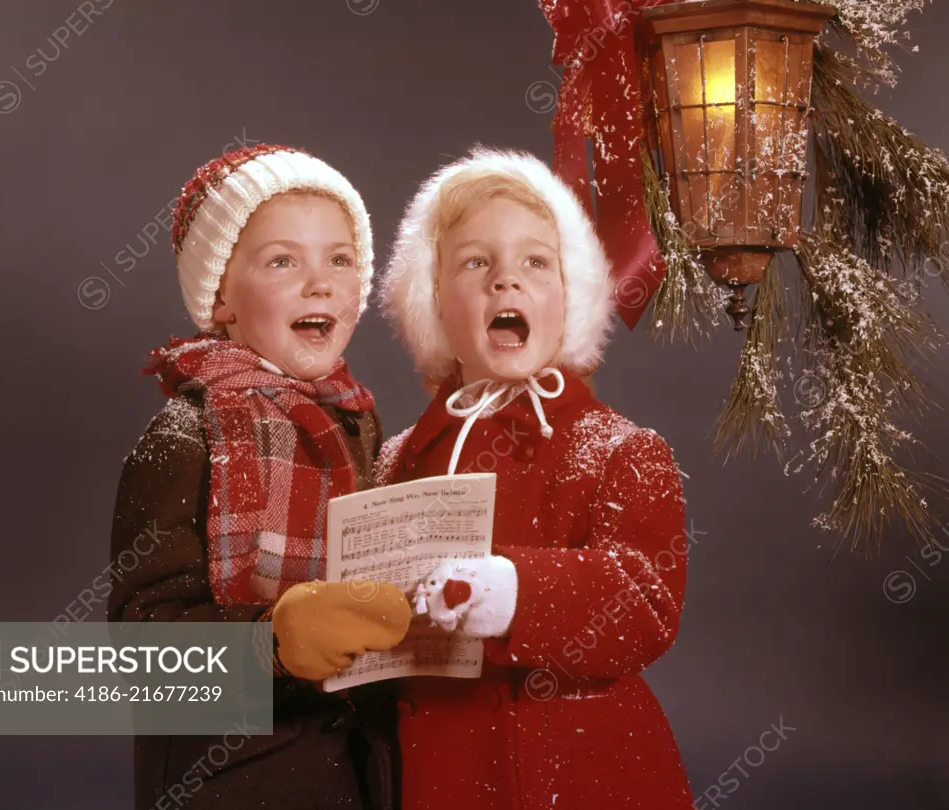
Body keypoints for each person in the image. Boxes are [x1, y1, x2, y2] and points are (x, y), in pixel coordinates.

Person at [376, 147, 693, 809]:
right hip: (436, 775)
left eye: (535, 262)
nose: (505, 282)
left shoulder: (619, 450)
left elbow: (643, 603)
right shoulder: (398, 461)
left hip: (576, 777)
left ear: (570, 297)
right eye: (475, 262)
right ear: (432, 298)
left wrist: (513, 590)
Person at [109, 144, 409, 810]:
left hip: (359, 775)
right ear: (220, 298)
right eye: (283, 261)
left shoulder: (359, 425)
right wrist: (269, 646)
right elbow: (139, 655)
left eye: (340, 259)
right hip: (236, 779)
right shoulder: (187, 436)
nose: (320, 282)